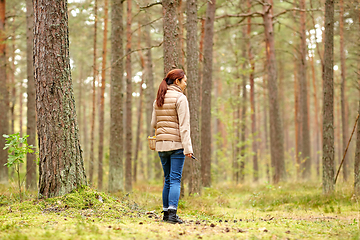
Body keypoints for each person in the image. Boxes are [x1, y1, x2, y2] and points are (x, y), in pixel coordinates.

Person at [151, 69, 193, 224]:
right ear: (177, 81)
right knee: (175, 179)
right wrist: (188, 148)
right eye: (185, 81)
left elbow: (153, 124)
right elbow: (184, 126)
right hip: (176, 145)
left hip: (161, 145)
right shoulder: (180, 99)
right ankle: (172, 215)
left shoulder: (158, 99)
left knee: (168, 179)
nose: (186, 84)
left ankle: (165, 214)